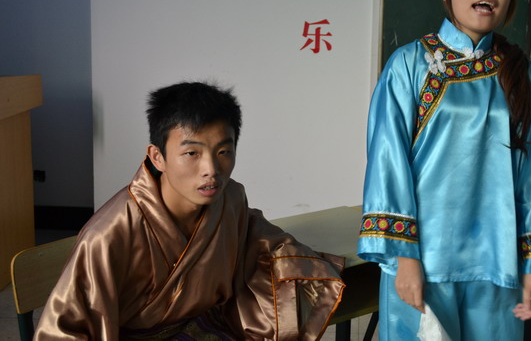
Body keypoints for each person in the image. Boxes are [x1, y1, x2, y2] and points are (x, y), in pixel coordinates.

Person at [357, 0, 531, 340]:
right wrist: (405, 259)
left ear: (510, 0)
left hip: (498, 260)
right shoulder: (410, 64)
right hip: (425, 258)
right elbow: (388, 163)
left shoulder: (520, 74)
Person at [35, 81, 345, 340]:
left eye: (223, 151)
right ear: (157, 157)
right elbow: (65, 330)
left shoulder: (230, 199)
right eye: (192, 153)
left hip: (205, 328)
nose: (211, 169)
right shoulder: (109, 234)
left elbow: (263, 243)